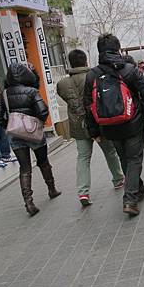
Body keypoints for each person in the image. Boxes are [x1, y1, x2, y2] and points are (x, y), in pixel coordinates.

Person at [83, 34, 144, 217]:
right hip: (132, 122)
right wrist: (143, 113)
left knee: (124, 158)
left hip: (109, 126)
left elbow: (88, 105)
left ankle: (139, 189)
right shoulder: (129, 70)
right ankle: (130, 199)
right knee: (134, 159)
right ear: (118, 48)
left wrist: (94, 130)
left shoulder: (92, 75)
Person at [57, 49, 125, 207]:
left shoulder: (62, 84)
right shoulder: (94, 76)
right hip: (98, 122)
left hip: (78, 124)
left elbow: (65, 98)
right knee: (110, 151)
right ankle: (118, 179)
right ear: (85, 61)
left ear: (70, 63)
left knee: (83, 157)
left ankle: (83, 192)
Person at [0, 63, 61, 216]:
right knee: (43, 162)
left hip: (15, 135)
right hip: (34, 134)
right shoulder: (31, 91)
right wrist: (38, 123)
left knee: (24, 168)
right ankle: (52, 189)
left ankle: (29, 202)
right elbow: (43, 111)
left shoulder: (4, 94)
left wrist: (9, 125)